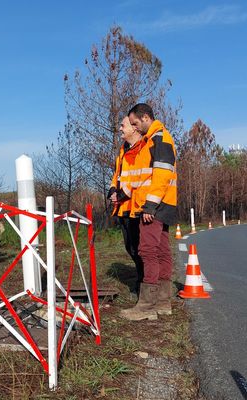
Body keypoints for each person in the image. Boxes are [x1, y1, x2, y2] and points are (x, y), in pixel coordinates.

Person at [120, 103, 177, 321]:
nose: (134, 127)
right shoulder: (155, 138)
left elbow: (161, 176)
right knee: (162, 250)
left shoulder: (159, 139)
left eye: (135, 123)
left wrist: (150, 205)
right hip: (162, 203)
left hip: (155, 205)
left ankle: (147, 306)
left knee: (147, 251)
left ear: (145, 118)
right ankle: (163, 302)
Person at [108, 115, 144, 294]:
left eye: (123, 125)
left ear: (134, 128)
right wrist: (113, 190)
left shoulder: (142, 148)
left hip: (138, 207)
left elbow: (140, 177)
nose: (120, 129)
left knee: (141, 248)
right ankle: (142, 280)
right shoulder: (123, 150)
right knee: (130, 247)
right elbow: (117, 175)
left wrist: (121, 194)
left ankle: (145, 284)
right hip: (123, 207)